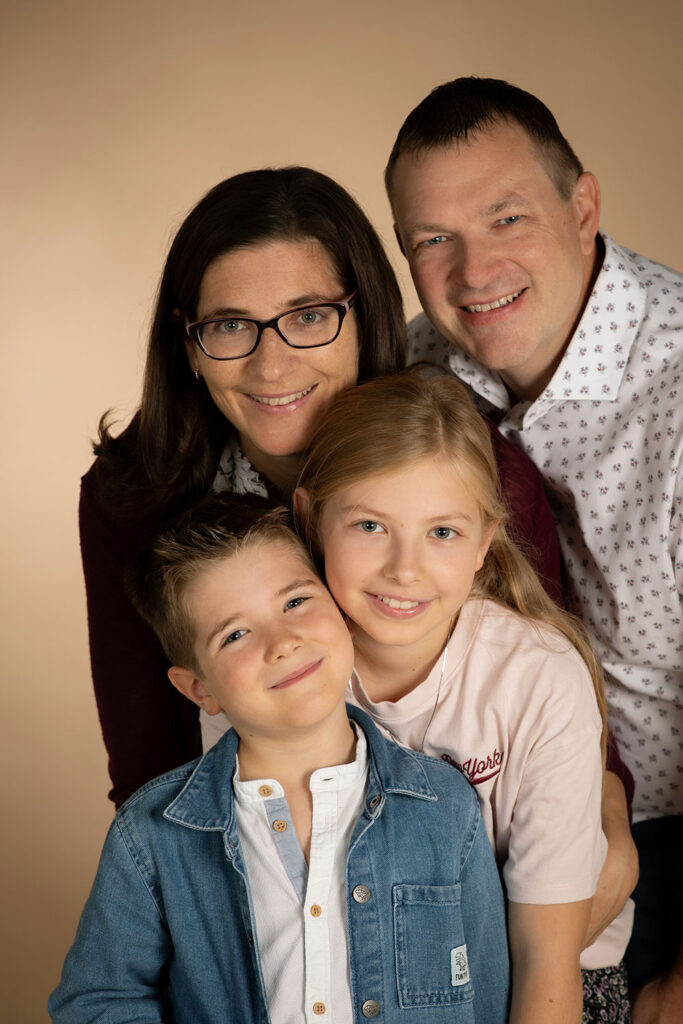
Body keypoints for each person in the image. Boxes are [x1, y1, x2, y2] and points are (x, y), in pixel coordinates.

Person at [81, 165, 564, 808]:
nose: (271, 366)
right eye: (230, 325)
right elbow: (150, 773)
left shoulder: (472, 472)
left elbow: (560, 697)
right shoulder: (134, 493)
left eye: (309, 316)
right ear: (189, 344)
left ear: (367, 315)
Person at [385, 76, 682, 1014]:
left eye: (505, 218)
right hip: (492, 825)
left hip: (666, 843)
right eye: (432, 239)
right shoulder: (425, 362)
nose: (473, 272)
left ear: (582, 207)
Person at [50, 498, 511, 1024]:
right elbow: (99, 1000)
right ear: (200, 688)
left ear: (342, 611)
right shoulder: (151, 836)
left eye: (295, 602)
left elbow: (489, 995)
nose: (283, 643)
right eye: (235, 635)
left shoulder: (444, 808)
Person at [290, 371, 633, 1023]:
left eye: (442, 532)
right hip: (367, 972)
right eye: (369, 525)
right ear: (311, 518)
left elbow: (546, 959)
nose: (404, 568)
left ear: (484, 541)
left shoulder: (538, 678)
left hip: (548, 972)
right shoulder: (287, 669)